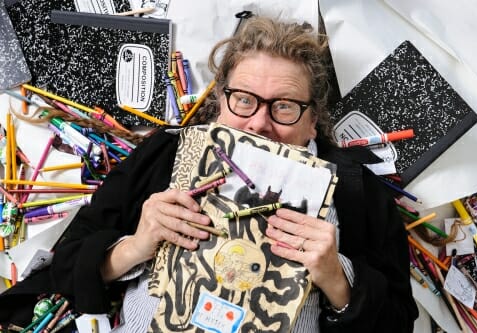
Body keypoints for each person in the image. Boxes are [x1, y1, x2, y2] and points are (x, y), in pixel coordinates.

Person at [0, 16, 418, 332]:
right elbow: (66, 265)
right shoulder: (168, 151)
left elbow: (400, 321)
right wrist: (135, 245)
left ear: (313, 121)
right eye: (244, 100)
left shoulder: (355, 189)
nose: (258, 123)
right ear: (221, 101)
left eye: (284, 106)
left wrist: (338, 276)